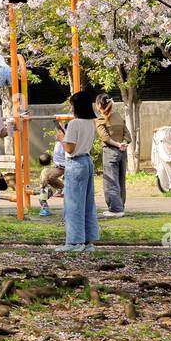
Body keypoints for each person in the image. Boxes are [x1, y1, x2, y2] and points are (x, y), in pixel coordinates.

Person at [57, 91, 99, 253]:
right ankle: (88, 240)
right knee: (87, 203)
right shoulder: (90, 122)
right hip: (87, 161)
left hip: (75, 163)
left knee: (73, 203)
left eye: (72, 105)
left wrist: (61, 137)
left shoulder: (75, 123)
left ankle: (74, 241)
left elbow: (70, 148)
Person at [96, 93, 129, 218]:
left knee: (110, 181)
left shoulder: (100, 119)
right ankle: (121, 207)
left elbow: (105, 137)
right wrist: (123, 144)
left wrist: (116, 144)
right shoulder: (118, 116)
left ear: (99, 105)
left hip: (110, 151)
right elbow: (127, 134)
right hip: (122, 152)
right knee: (121, 180)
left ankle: (115, 209)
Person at [37, 124, 67, 217]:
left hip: (63, 169)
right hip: (57, 167)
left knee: (47, 175)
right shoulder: (58, 143)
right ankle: (45, 206)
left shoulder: (66, 144)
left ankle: (62, 189)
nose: (55, 134)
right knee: (44, 190)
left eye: (57, 132)